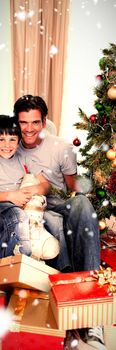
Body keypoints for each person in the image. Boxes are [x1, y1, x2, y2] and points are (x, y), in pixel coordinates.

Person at [13, 95, 107, 350]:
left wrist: (92, 183)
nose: (29, 129)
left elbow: (71, 184)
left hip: (57, 199)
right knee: (54, 223)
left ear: (44, 122)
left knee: (82, 206)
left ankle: (92, 317)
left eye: (35, 122)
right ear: (16, 122)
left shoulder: (60, 147)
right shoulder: (9, 145)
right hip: (28, 207)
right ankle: (72, 323)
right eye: (23, 123)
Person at [0, 115, 59, 260]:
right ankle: (20, 262)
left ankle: (63, 271)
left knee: (54, 222)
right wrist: (10, 196)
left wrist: (32, 191)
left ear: (19, 141)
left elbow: (46, 184)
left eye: (12, 139)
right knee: (18, 216)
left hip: (23, 204)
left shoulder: (23, 159)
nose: (7, 145)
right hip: (3, 205)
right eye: (1, 140)